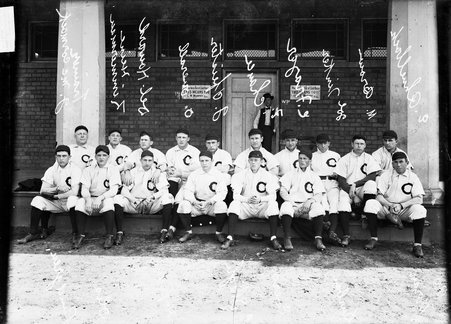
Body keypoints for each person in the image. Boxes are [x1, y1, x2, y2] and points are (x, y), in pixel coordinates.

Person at [363, 152, 427, 257]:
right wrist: (389, 205)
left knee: (420, 209)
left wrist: (401, 205)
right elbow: (378, 196)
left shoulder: (413, 177)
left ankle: (417, 245)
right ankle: (373, 238)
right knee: (370, 203)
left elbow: (419, 198)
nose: (398, 164)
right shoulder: (386, 175)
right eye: (395, 162)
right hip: (387, 208)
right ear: (392, 164)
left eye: (401, 162)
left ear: (407, 163)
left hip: (404, 209)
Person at [17, 145, 81, 246]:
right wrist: (56, 189)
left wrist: (57, 195)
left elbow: (75, 192)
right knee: (37, 200)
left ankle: (76, 234)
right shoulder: (51, 170)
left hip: (70, 202)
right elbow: (43, 190)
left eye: (64, 156)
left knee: (73, 199)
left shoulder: (75, 169)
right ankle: (33, 233)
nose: (61, 158)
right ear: (55, 157)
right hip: (57, 203)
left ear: (70, 157)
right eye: (59, 156)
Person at [222, 150, 280, 250]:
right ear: (248, 161)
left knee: (273, 204)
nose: (253, 162)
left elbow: (273, 196)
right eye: (251, 160)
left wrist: (261, 199)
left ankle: (273, 238)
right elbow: (235, 196)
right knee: (234, 204)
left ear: (262, 161)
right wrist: (246, 199)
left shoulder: (269, 176)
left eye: (256, 160)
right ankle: (230, 237)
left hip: (261, 206)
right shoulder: (240, 175)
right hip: (246, 206)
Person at [113, 151, 173, 244]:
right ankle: (119, 233)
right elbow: (124, 191)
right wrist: (134, 201)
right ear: (140, 160)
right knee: (118, 199)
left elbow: (164, 190)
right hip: (134, 204)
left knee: (168, 197)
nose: (147, 163)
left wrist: (151, 198)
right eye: (144, 160)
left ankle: (164, 231)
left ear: (153, 161)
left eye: (150, 160)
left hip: (150, 204)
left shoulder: (157, 173)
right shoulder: (133, 172)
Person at [334, 135, 381, 247]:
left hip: (362, 187)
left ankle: (364, 215)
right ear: (352, 144)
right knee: (343, 204)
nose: (359, 146)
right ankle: (346, 235)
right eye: (357, 143)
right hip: (347, 188)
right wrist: (352, 192)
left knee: (371, 184)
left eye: (361, 144)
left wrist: (356, 184)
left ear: (365, 145)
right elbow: (341, 179)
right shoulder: (345, 159)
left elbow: (372, 176)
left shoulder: (369, 158)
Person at [279, 148, 327, 251]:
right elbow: (283, 191)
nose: (302, 161)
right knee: (285, 208)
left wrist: (309, 202)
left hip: (307, 205)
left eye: (305, 158)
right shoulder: (291, 173)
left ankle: (318, 239)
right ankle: (287, 238)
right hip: (292, 203)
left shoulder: (314, 176)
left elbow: (318, 194)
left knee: (319, 208)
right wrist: (292, 203)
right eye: (300, 158)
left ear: (310, 161)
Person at [74, 145, 121, 249]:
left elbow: (114, 190)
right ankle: (80, 235)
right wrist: (87, 200)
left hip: (105, 198)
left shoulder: (113, 169)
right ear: (95, 156)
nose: (101, 157)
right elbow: (84, 188)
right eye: (99, 155)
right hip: (91, 198)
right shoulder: (88, 170)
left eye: (104, 155)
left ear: (108, 157)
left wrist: (100, 198)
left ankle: (109, 236)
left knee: (109, 204)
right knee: (79, 204)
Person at [176, 151, 228, 244]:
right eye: (202, 161)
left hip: (211, 204)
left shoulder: (218, 175)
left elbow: (222, 193)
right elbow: (188, 190)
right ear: (199, 161)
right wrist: (194, 201)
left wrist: (210, 201)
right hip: (197, 204)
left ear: (212, 161)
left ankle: (218, 233)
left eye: (207, 160)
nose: (204, 163)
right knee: (183, 204)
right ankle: (188, 232)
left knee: (222, 205)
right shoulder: (194, 174)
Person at [165, 128, 201, 239]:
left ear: (188, 139)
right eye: (179, 137)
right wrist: (172, 172)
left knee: (179, 198)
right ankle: (171, 227)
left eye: (184, 137)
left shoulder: (195, 152)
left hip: (189, 180)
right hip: (175, 180)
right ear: (176, 138)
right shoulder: (171, 151)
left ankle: (172, 228)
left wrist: (181, 173)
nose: (181, 140)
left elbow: (196, 171)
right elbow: (170, 170)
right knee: (174, 192)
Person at [311, 133, 342, 245]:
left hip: (332, 181)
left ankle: (332, 231)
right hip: (318, 181)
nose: (323, 145)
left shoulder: (336, 155)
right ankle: (326, 230)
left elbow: (340, 171)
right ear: (316, 144)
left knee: (334, 202)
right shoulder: (312, 156)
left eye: (325, 143)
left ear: (329, 143)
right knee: (323, 203)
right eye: (320, 143)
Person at [205, 134, 233, 205]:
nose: (211, 145)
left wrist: (210, 169)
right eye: (209, 143)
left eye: (213, 142)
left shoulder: (224, 154)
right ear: (206, 144)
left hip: (222, 181)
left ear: (218, 143)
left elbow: (225, 170)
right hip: (208, 180)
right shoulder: (203, 155)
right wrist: (218, 169)